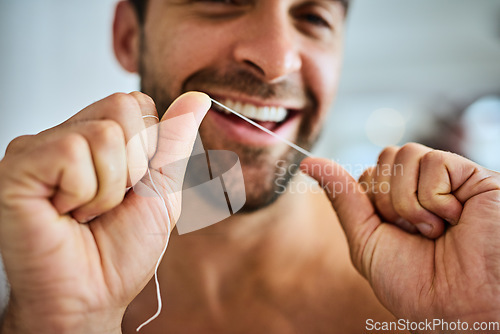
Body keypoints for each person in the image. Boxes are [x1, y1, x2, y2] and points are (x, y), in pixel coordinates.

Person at [0, 0, 499, 333]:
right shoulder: (34, 276)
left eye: (312, 17)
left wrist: (477, 320)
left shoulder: (430, 301)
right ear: (131, 35)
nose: (277, 60)